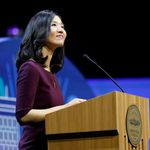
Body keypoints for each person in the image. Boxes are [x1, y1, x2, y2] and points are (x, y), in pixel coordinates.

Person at [15, 9, 86, 150]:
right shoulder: (30, 68)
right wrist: (66, 108)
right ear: (39, 30)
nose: (61, 30)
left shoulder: (52, 75)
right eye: (54, 25)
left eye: (63, 26)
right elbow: (23, 114)